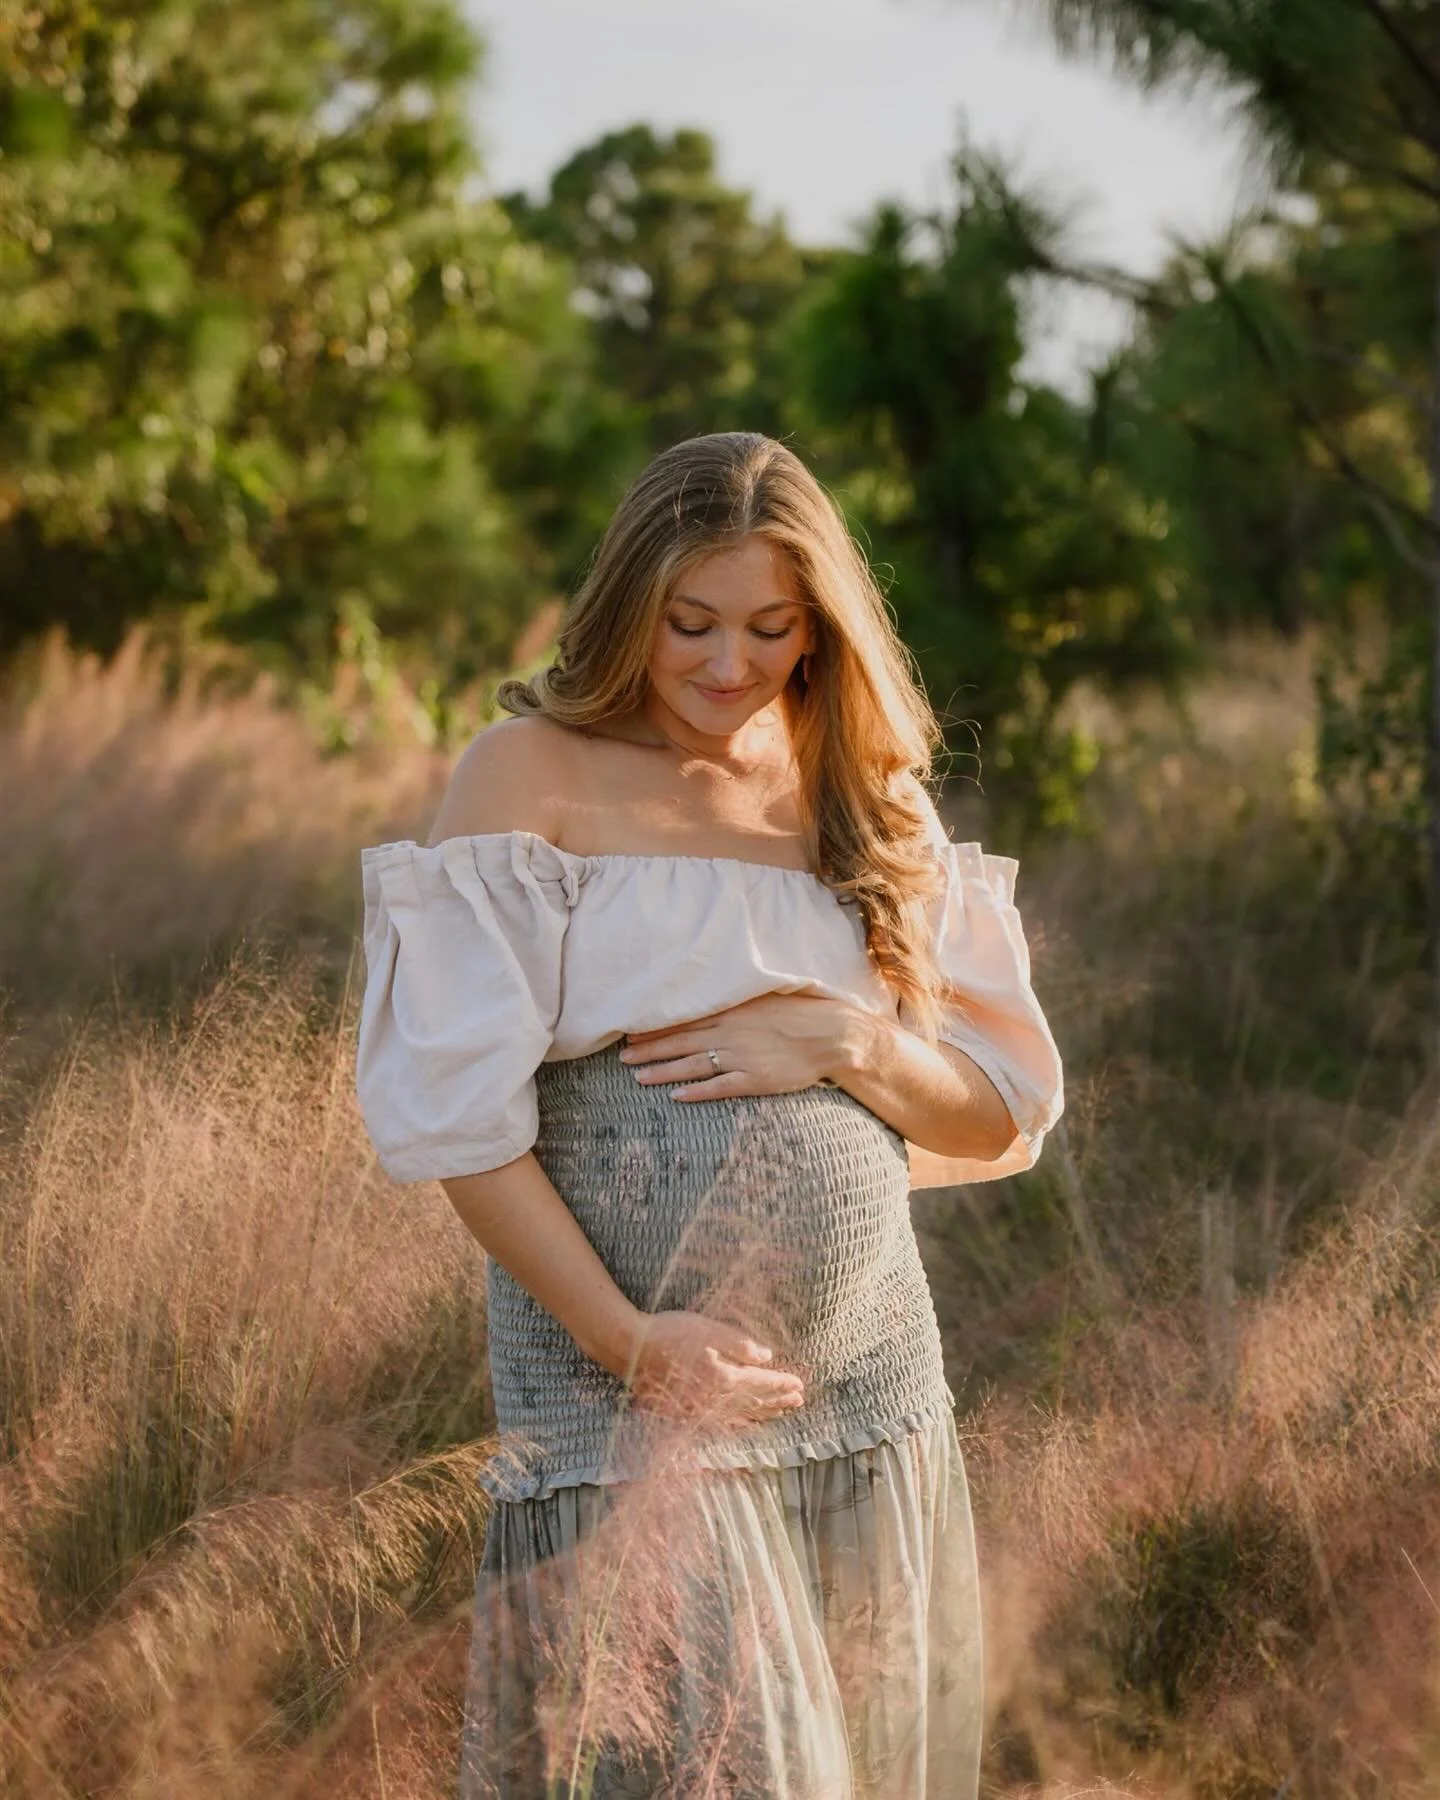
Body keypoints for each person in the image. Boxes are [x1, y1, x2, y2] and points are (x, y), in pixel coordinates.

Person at [354, 431, 1064, 1798]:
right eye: (691, 622)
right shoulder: (529, 774)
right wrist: (626, 1343)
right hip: (626, 1396)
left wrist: (847, 1040)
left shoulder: (867, 796)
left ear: (821, 629)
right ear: (632, 604)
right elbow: (459, 1123)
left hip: (865, 1400)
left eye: (770, 627)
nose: (730, 663)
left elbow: (998, 1115)